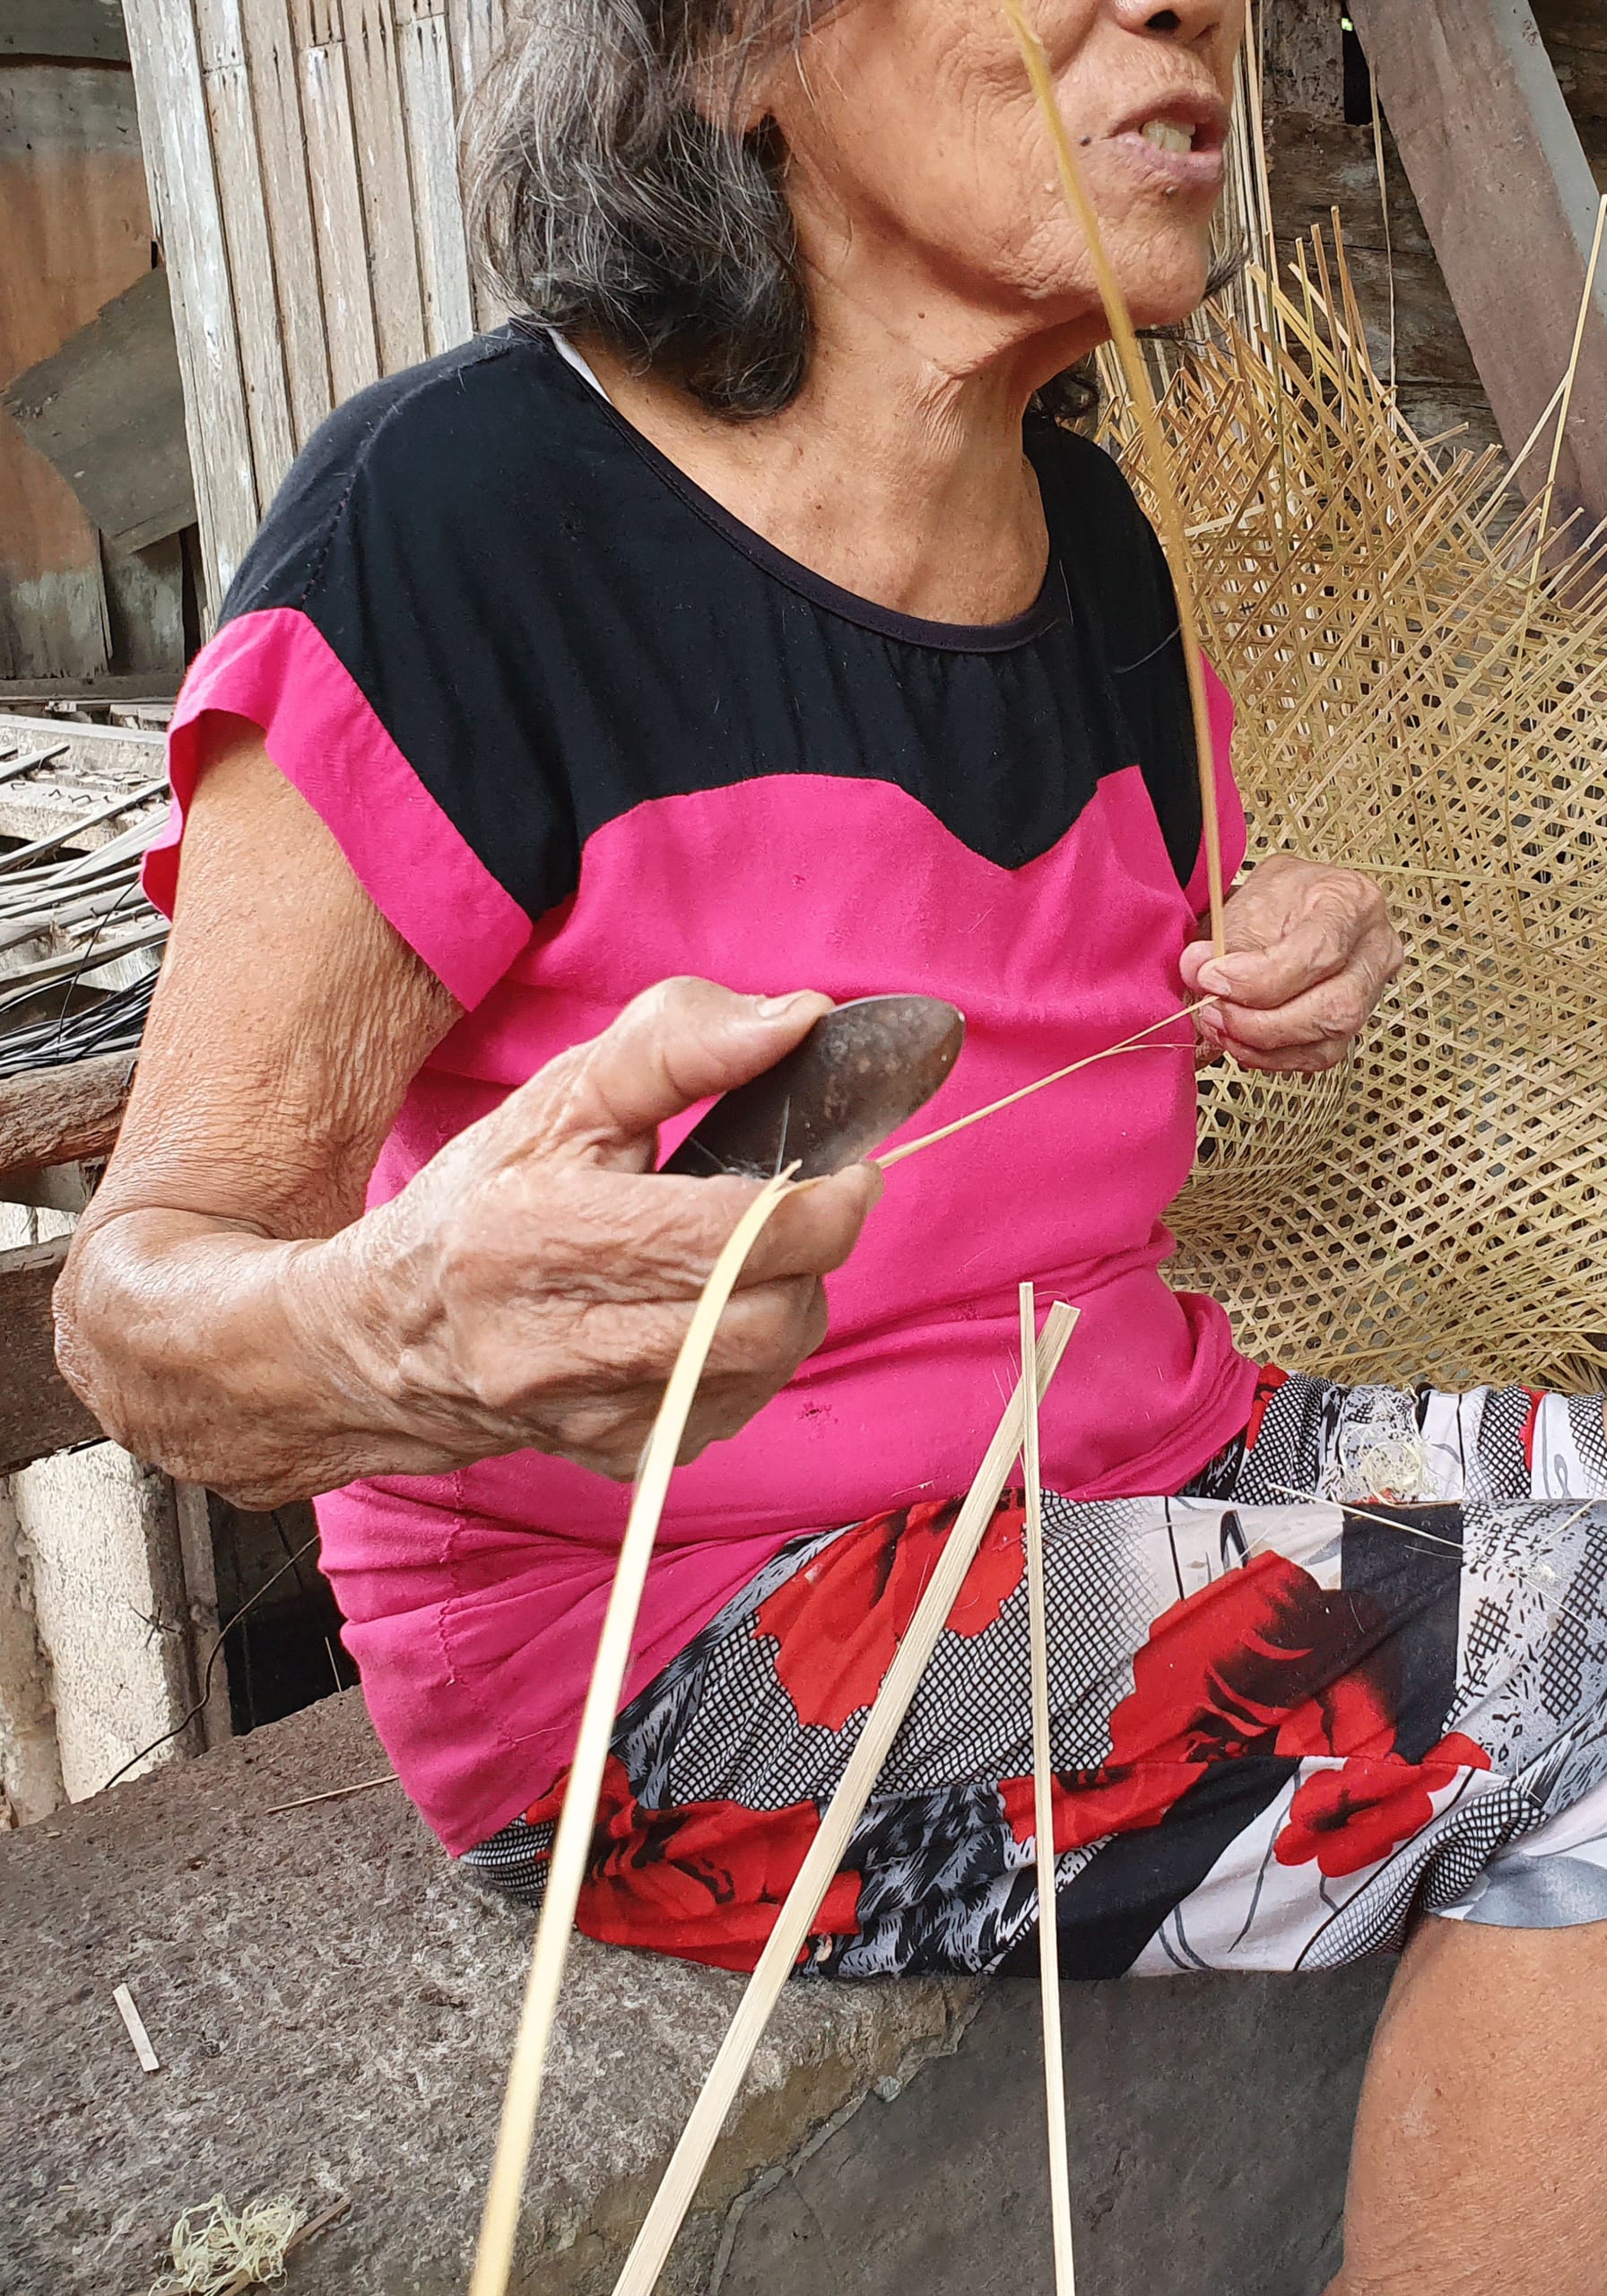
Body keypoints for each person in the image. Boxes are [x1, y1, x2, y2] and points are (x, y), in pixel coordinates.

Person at [53, 1, 1607, 2287]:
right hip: (687, 1639)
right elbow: (138, 1300)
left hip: (1113, 1459)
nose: (1179, 6)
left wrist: (1285, 946)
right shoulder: (467, 524)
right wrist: (393, 1319)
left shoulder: (1107, 553)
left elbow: (1129, 986)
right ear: (731, 60)